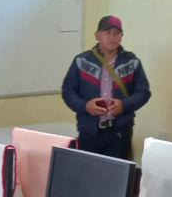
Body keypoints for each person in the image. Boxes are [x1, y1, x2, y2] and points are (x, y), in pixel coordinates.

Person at [61, 15, 151, 160]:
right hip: (89, 131)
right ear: (97, 35)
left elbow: (143, 92)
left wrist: (124, 105)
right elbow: (68, 92)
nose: (112, 37)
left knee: (119, 172)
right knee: (89, 170)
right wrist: (85, 106)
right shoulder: (81, 61)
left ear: (122, 36)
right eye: (107, 32)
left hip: (120, 131)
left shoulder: (132, 62)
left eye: (116, 33)